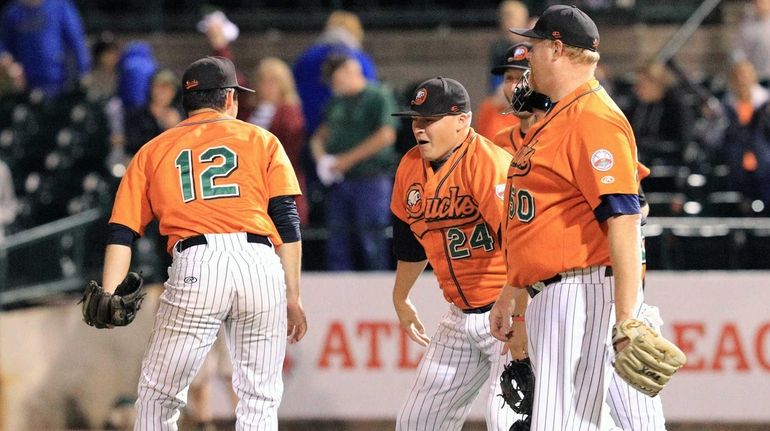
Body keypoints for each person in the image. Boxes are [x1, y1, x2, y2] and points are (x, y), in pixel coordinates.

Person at [99, 56, 307, 430]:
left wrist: (111, 292)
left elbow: (122, 232)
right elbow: (288, 224)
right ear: (230, 98)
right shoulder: (262, 139)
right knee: (259, 400)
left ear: (186, 102)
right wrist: (293, 295)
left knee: (158, 398)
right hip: (260, 263)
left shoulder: (153, 149)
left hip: (198, 261)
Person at [488, 6, 671, 430]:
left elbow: (624, 218)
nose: (527, 57)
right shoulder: (559, 115)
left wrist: (627, 316)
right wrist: (511, 291)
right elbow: (541, 221)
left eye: (533, 46)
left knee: (563, 422)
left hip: (580, 290)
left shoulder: (593, 116)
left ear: (555, 48)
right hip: (554, 292)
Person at [390, 76, 520, 430]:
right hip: (459, 316)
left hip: (506, 309)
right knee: (416, 422)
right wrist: (401, 296)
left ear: (463, 120)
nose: (420, 129)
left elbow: (520, 243)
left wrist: (516, 307)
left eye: (430, 120)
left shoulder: (488, 163)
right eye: (416, 120)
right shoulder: (409, 167)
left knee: (507, 419)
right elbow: (408, 239)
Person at [309, 54, 397, 271]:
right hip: (341, 182)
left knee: (372, 241)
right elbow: (319, 136)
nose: (333, 85)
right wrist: (322, 159)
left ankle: (379, 293)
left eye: (336, 79)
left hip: (371, 179)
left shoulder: (378, 96)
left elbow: (386, 135)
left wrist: (346, 160)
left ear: (350, 72)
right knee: (338, 241)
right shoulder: (336, 102)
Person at [292, 10, 378, 136]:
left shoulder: (307, 57)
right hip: (351, 129)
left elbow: (293, 86)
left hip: (310, 123)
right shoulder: (360, 59)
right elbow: (370, 89)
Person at [249, 57, 309, 225]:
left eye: (274, 81)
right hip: (252, 185)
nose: (268, 87)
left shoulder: (290, 112)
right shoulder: (249, 111)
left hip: (280, 183)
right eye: (263, 81)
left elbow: (291, 147)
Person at [0, 0, 90, 98]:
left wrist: (83, 71)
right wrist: (8, 63)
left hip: (59, 81)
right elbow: (4, 46)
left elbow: (76, 41)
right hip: (26, 84)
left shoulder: (60, 6)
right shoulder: (13, 12)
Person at [624, 62, 693, 166]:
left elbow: (681, 141)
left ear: (656, 84)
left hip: (665, 163)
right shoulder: (636, 106)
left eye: (641, 85)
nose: (636, 89)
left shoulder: (675, 107)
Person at [476, 42, 533, 140]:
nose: (513, 87)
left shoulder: (558, 124)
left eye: (522, 78)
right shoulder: (491, 108)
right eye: (509, 78)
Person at [124, 69, 182, 155]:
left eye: (168, 88)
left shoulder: (182, 115)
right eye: (158, 86)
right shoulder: (137, 115)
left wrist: (176, 128)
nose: (162, 92)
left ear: (174, 92)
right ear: (151, 89)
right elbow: (133, 145)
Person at [487, 0, 530, 94]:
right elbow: (495, 85)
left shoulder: (534, 45)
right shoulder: (499, 48)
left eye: (512, 18)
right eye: (504, 17)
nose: (508, 22)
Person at [734, 0, 770, 87]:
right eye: (757, 2)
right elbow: (739, 52)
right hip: (758, 77)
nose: (759, 4)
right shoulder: (746, 25)